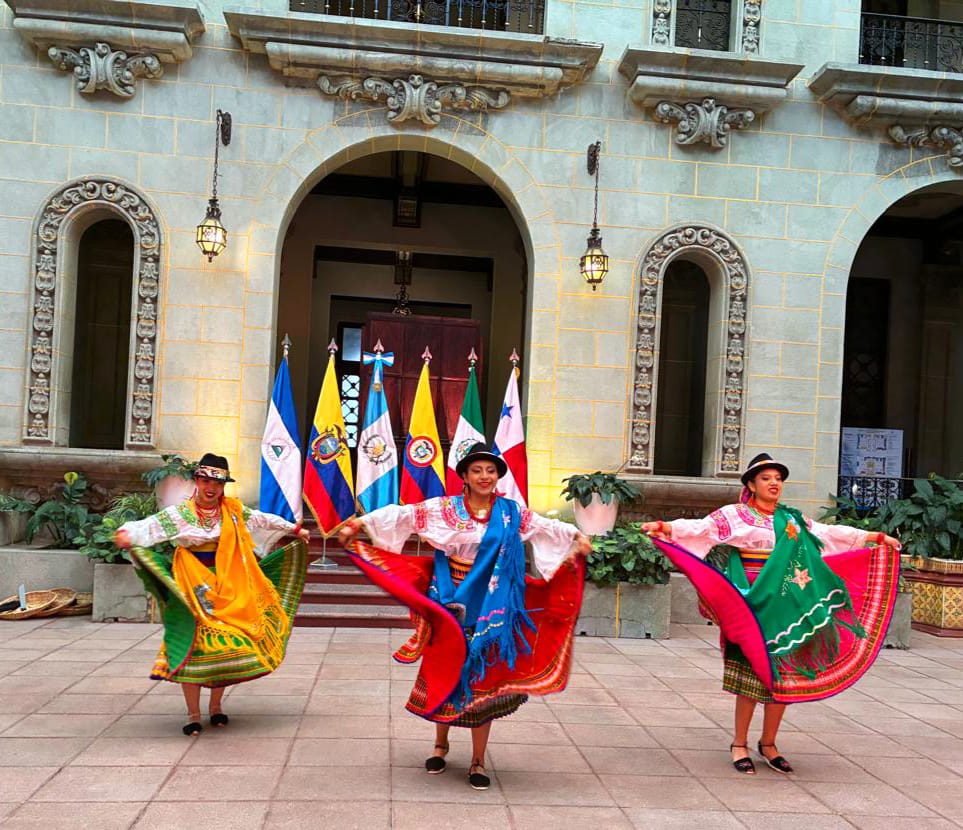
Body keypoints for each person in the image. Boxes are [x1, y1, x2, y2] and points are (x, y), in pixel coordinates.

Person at [339, 443, 592, 790]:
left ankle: (477, 760)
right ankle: (440, 745)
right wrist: (359, 524)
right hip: (449, 597)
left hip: (492, 601)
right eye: (477, 470)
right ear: (465, 476)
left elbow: (546, 527)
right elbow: (403, 515)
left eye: (491, 470)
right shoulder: (444, 510)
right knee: (446, 665)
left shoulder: (511, 513)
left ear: (498, 476)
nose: (485, 476)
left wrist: (577, 537)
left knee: (482, 676)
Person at [641, 452, 900, 775]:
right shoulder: (736, 515)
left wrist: (875, 537)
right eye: (766, 478)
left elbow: (825, 534)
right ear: (751, 485)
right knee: (750, 675)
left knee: (784, 673)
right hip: (751, 603)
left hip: (787, 604)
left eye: (778, 478)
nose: (774, 483)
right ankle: (739, 743)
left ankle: (769, 743)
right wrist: (664, 527)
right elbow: (702, 529)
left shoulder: (791, 520)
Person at [115, 453, 310, 736]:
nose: (211, 488)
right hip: (192, 581)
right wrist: (127, 534)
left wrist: (293, 529)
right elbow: (150, 526)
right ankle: (193, 714)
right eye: (206, 481)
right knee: (195, 643)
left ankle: (216, 706)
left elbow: (261, 519)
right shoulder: (179, 515)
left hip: (229, 582)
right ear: (197, 481)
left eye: (218, 483)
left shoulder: (233, 511)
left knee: (227, 644)